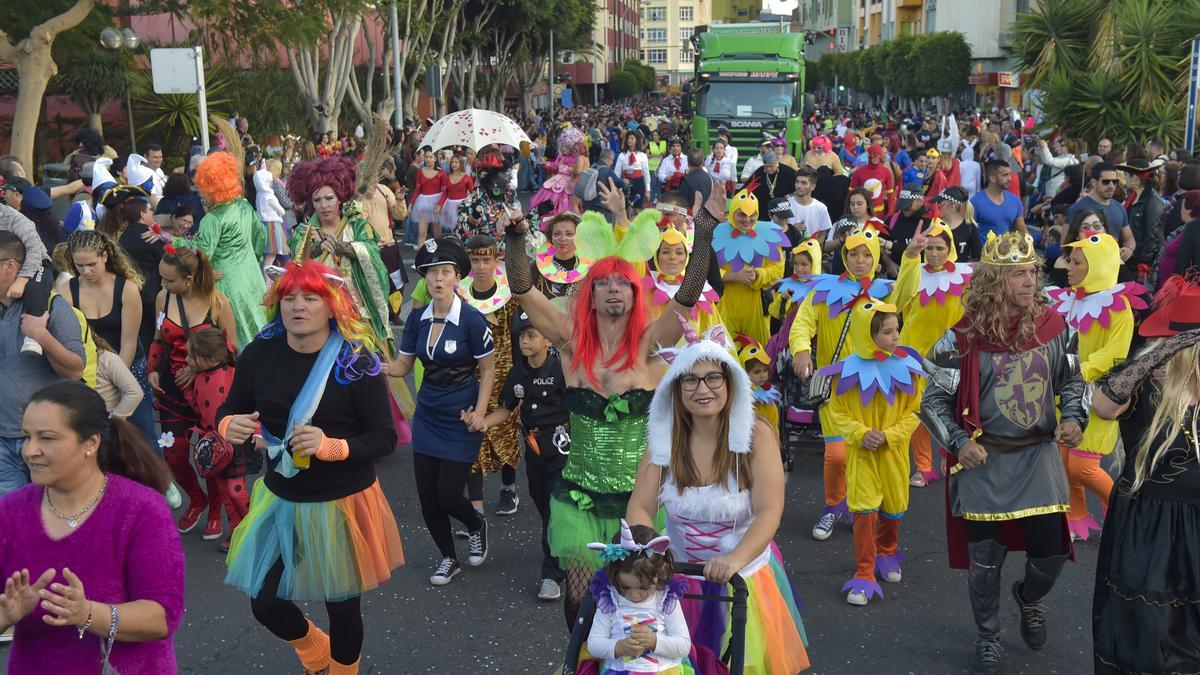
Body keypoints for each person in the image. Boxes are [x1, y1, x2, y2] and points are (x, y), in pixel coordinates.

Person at [504, 184, 721, 629]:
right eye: (603, 283)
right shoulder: (569, 344)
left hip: (639, 501)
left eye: (623, 283)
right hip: (579, 501)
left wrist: (705, 232)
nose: (614, 291)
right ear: (591, 294)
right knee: (581, 605)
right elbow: (525, 292)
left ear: (635, 294)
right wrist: (513, 240)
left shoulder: (647, 347)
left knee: (641, 604)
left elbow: (687, 295)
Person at [220, 261, 403, 675]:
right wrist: (230, 425)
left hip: (342, 501)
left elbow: (384, 437)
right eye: (288, 298)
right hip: (281, 497)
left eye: (310, 297)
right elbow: (230, 408)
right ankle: (314, 650)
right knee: (265, 602)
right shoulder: (259, 353)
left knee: (342, 608)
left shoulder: (357, 360)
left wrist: (332, 446)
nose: (297, 307)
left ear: (332, 304)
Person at [922, 231, 1086, 675]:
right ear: (995, 281)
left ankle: (1029, 598)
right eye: (1019, 274)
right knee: (985, 562)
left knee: (1051, 551)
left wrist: (1074, 418)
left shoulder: (1055, 328)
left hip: (1037, 456)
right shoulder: (960, 338)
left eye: (1032, 271)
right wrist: (959, 442)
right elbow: (931, 403)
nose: (1031, 281)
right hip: (984, 462)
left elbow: (1073, 382)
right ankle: (988, 637)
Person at [626, 322, 810, 673]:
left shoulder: (757, 435)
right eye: (690, 379)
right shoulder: (665, 437)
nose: (702, 388)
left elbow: (769, 511)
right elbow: (641, 504)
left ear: (731, 382)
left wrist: (734, 559)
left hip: (741, 576)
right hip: (679, 577)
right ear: (677, 388)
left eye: (713, 377)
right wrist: (649, 552)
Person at [0, 381, 182, 673]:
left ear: (91, 444)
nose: (29, 451)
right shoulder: (10, 510)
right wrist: (5, 615)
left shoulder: (142, 509)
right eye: (27, 437)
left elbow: (160, 617)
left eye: (46, 438)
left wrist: (87, 613)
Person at [1089, 277, 1200, 675]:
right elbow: (1101, 405)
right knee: (1148, 630)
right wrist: (1164, 350)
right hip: (1149, 522)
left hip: (1195, 521)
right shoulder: (1141, 381)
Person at [787, 224, 924, 541]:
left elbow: (905, 295)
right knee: (837, 455)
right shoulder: (824, 289)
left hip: (875, 390)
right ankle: (833, 506)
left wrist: (912, 259)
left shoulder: (884, 292)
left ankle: (861, 508)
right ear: (844, 256)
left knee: (867, 452)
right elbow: (803, 323)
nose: (860, 260)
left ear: (875, 258)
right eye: (853, 254)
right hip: (837, 389)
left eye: (866, 254)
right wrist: (802, 352)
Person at [386, 238, 494, 586]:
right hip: (428, 413)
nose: (438, 279)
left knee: (447, 494)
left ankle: (476, 524)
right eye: (431, 273)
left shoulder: (473, 321)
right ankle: (449, 557)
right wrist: (375, 364)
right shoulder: (417, 318)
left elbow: (489, 371)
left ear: (456, 277)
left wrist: (479, 414)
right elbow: (403, 366)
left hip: (461, 414)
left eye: (445, 272)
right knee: (427, 497)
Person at [821, 299, 924, 605]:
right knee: (864, 511)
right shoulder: (845, 373)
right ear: (868, 332)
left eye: (897, 330)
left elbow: (915, 411)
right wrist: (860, 434)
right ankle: (864, 571)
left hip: (893, 453)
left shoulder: (909, 369)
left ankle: (888, 552)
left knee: (894, 508)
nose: (895, 337)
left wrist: (891, 436)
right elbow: (836, 411)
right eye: (888, 332)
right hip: (862, 454)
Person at [1046, 233, 1146, 540]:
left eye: (1077, 262)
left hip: (1097, 392)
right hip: (1066, 391)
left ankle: (1125, 513)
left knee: (1082, 466)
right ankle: (1076, 518)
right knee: (1065, 459)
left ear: (1100, 265)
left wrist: (1076, 370)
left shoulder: (1118, 306)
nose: (1068, 268)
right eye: (1069, 261)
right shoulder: (1067, 300)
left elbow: (1114, 352)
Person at [148, 246, 241, 540]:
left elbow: (231, 351)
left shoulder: (218, 304)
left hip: (208, 393)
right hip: (172, 390)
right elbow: (157, 338)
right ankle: (196, 498)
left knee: (211, 454)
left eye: (169, 280)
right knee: (173, 455)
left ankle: (215, 510)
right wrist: (152, 368)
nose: (163, 285)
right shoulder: (163, 298)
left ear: (189, 279)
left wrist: (197, 368)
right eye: (161, 279)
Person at [478, 311, 570, 601]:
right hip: (533, 449)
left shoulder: (560, 370)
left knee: (555, 509)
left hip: (561, 448)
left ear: (546, 339)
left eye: (532, 335)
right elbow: (506, 409)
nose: (525, 341)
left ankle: (551, 576)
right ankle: (562, 549)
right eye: (522, 336)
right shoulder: (518, 372)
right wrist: (481, 421)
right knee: (542, 505)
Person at [0, 231, 85, 496]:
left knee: (53, 518)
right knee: (10, 522)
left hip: (49, 438)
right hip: (3, 441)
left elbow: (75, 370)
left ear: (10, 266)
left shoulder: (52, 306)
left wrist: (41, 335)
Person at [58, 230, 156, 443]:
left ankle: (159, 476)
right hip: (91, 370)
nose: (86, 271)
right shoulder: (66, 290)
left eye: (92, 264)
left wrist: (116, 381)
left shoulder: (127, 289)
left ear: (105, 256)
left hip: (128, 364)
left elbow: (129, 342)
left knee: (143, 435)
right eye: (79, 266)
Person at [898, 217, 972, 488]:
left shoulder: (965, 276)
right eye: (930, 248)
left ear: (950, 248)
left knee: (952, 408)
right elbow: (899, 304)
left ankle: (949, 455)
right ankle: (923, 466)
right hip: (915, 354)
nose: (934, 253)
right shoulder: (914, 272)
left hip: (952, 356)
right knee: (919, 409)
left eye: (940, 248)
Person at [174, 151, 268, 349]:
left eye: (202, 189)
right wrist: (252, 260)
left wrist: (175, 242)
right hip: (252, 279)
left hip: (227, 284)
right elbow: (260, 238)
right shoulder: (243, 206)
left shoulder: (212, 220)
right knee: (260, 327)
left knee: (238, 335)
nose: (200, 193)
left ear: (211, 188)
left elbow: (200, 255)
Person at [457, 236, 522, 517]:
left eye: (487, 260)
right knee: (470, 434)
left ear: (496, 261)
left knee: (506, 434)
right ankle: (475, 506)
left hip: (505, 374)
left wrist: (521, 375)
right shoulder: (458, 297)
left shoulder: (509, 297)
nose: (481, 266)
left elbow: (520, 336)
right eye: (475, 260)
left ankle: (509, 488)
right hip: (470, 377)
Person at [584, 521, 693, 671]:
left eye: (644, 587)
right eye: (625, 587)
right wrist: (619, 647)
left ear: (659, 573)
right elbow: (594, 644)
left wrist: (654, 641)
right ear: (614, 576)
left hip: (663, 670)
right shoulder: (611, 599)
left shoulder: (665, 599)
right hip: (620, 670)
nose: (634, 595)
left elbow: (683, 646)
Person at [711, 187, 787, 345]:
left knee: (757, 357)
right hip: (724, 306)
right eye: (741, 215)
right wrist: (733, 277)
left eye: (752, 215)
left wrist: (758, 274)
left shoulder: (770, 235)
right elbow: (705, 267)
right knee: (725, 356)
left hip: (757, 308)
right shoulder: (715, 233)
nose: (747, 219)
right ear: (732, 213)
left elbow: (778, 270)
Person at [1065, 162, 1136, 258]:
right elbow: (1065, 246)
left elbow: (1129, 239)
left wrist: (1129, 249)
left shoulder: (1119, 208)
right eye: (1106, 182)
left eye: (1115, 182)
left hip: (1113, 267)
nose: (1111, 186)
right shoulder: (1077, 209)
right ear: (1094, 182)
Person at [1117, 158, 1165, 281]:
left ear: (1134, 178)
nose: (1125, 178)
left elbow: (1152, 236)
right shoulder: (1131, 198)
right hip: (1129, 259)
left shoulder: (1153, 201)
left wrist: (1143, 264)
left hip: (1141, 265)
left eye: (1127, 175)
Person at [530, 127, 586, 218]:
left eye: (566, 146)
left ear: (572, 148)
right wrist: (545, 163)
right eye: (562, 145)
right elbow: (555, 166)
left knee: (567, 204)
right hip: (556, 181)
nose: (563, 148)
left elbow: (578, 171)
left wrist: (571, 171)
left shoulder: (576, 159)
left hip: (569, 183)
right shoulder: (560, 156)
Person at [533, 211, 590, 300]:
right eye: (557, 234)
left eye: (569, 234)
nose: (562, 238)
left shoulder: (589, 268)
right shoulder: (537, 267)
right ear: (551, 238)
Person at [970, 159, 1027, 241]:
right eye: (1005, 175)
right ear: (992, 178)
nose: (1010, 179)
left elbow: (1023, 233)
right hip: (984, 253)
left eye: (1009, 174)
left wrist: (1030, 251)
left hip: (1008, 253)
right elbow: (968, 234)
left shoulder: (1015, 201)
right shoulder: (975, 202)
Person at [931, 187, 983, 262]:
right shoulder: (935, 225)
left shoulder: (969, 227)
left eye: (941, 204)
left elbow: (977, 257)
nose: (938, 207)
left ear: (953, 206)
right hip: (938, 272)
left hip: (960, 272)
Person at [254, 166, 289, 270]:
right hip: (272, 226)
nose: (271, 184)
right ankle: (267, 280)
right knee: (270, 256)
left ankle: (265, 279)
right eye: (269, 182)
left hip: (263, 225)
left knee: (266, 256)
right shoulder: (269, 196)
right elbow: (281, 211)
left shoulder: (259, 195)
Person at [786, 167, 834, 244]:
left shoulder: (821, 208)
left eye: (803, 183)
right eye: (797, 182)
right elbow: (776, 231)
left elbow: (822, 235)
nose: (798, 185)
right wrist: (791, 230)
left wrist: (810, 249)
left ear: (813, 187)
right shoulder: (785, 205)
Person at [850, 145, 896, 217]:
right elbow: (851, 193)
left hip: (879, 213)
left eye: (878, 155)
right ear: (868, 155)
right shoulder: (858, 172)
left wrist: (890, 211)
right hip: (862, 212)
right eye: (873, 155)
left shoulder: (886, 172)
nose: (876, 158)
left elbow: (890, 193)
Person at [437, 155, 473, 237]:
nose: (454, 164)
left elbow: (472, 193)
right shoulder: (447, 177)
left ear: (461, 163)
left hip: (462, 206)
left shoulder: (467, 177)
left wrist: (470, 205)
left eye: (456, 162)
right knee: (452, 229)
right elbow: (445, 193)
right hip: (449, 206)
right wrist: (439, 205)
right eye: (452, 162)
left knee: (463, 229)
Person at [615, 132, 651, 210]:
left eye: (632, 138)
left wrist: (648, 190)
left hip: (639, 183)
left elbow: (646, 173)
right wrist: (617, 186)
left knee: (638, 209)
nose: (629, 140)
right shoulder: (622, 155)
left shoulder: (642, 155)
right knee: (627, 208)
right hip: (626, 183)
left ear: (636, 140)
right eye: (628, 138)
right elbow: (617, 172)